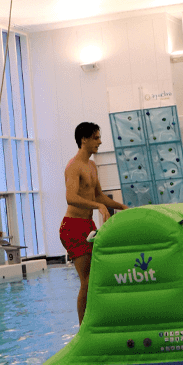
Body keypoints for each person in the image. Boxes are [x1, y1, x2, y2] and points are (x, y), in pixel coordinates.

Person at [60, 121, 127, 325]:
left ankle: (96, 320)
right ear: (84, 139)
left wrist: (122, 207)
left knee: (98, 277)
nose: (100, 141)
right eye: (96, 137)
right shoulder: (73, 167)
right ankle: (83, 329)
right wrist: (97, 207)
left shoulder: (91, 165)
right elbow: (70, 197)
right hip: (72, 226)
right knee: (87, 281)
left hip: (88, 226)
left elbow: (99, 196)